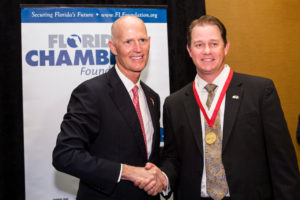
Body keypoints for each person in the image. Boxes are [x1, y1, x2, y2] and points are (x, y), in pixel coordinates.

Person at [160, 15, 300, 200]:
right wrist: (161, 177)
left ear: (226, 47)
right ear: (189, 50)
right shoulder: (174, 103)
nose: (207, 51)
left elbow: (282, 162)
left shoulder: (259, 92)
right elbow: (173, 158)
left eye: (214, 44)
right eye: (199, 44)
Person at [52, 15, 165, 200]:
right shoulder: (91, 93)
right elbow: (65, 155)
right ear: (113, 47)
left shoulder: (153, 97)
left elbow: (146, 156)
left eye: (142, 40)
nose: (138, 48)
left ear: (149, 42)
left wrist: (159, 176)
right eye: (128, 41)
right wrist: (126, 171)